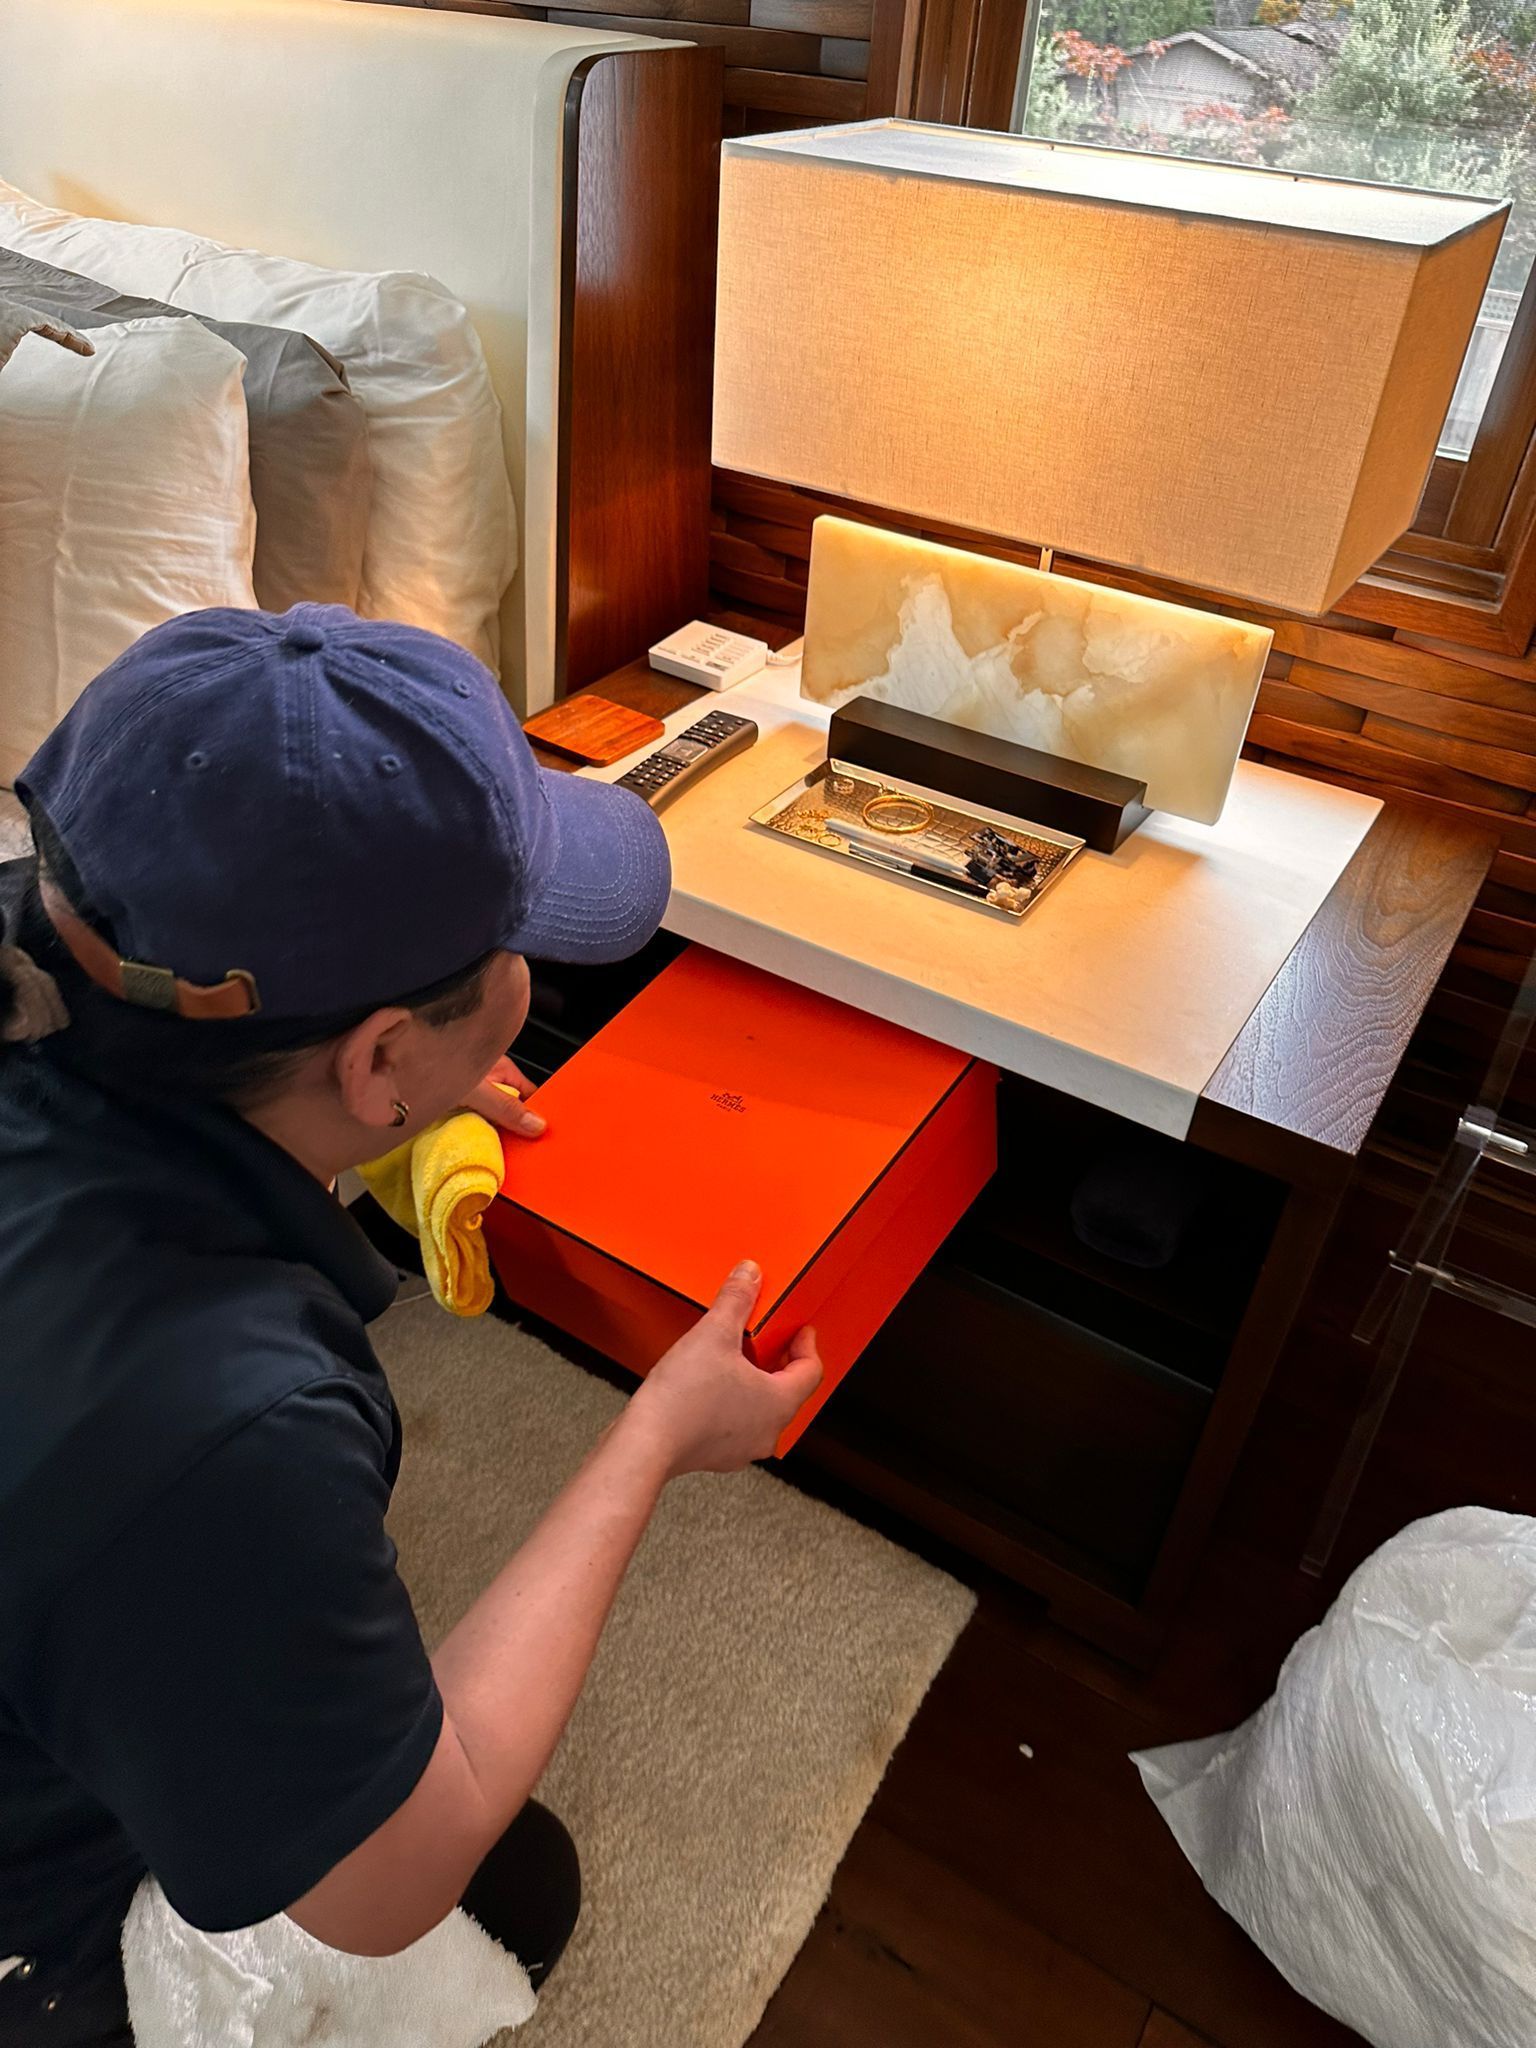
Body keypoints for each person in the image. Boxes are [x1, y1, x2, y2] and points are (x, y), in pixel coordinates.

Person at [0, 606, 823, 2046]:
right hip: (31, 1923)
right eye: (514, 961)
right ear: (377, 1054)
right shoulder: (220, 1422)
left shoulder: (51, 938)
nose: (524, 992)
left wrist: (384, 1106)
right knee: (507, 1883)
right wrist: (651, 1443)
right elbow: (377, 1889)